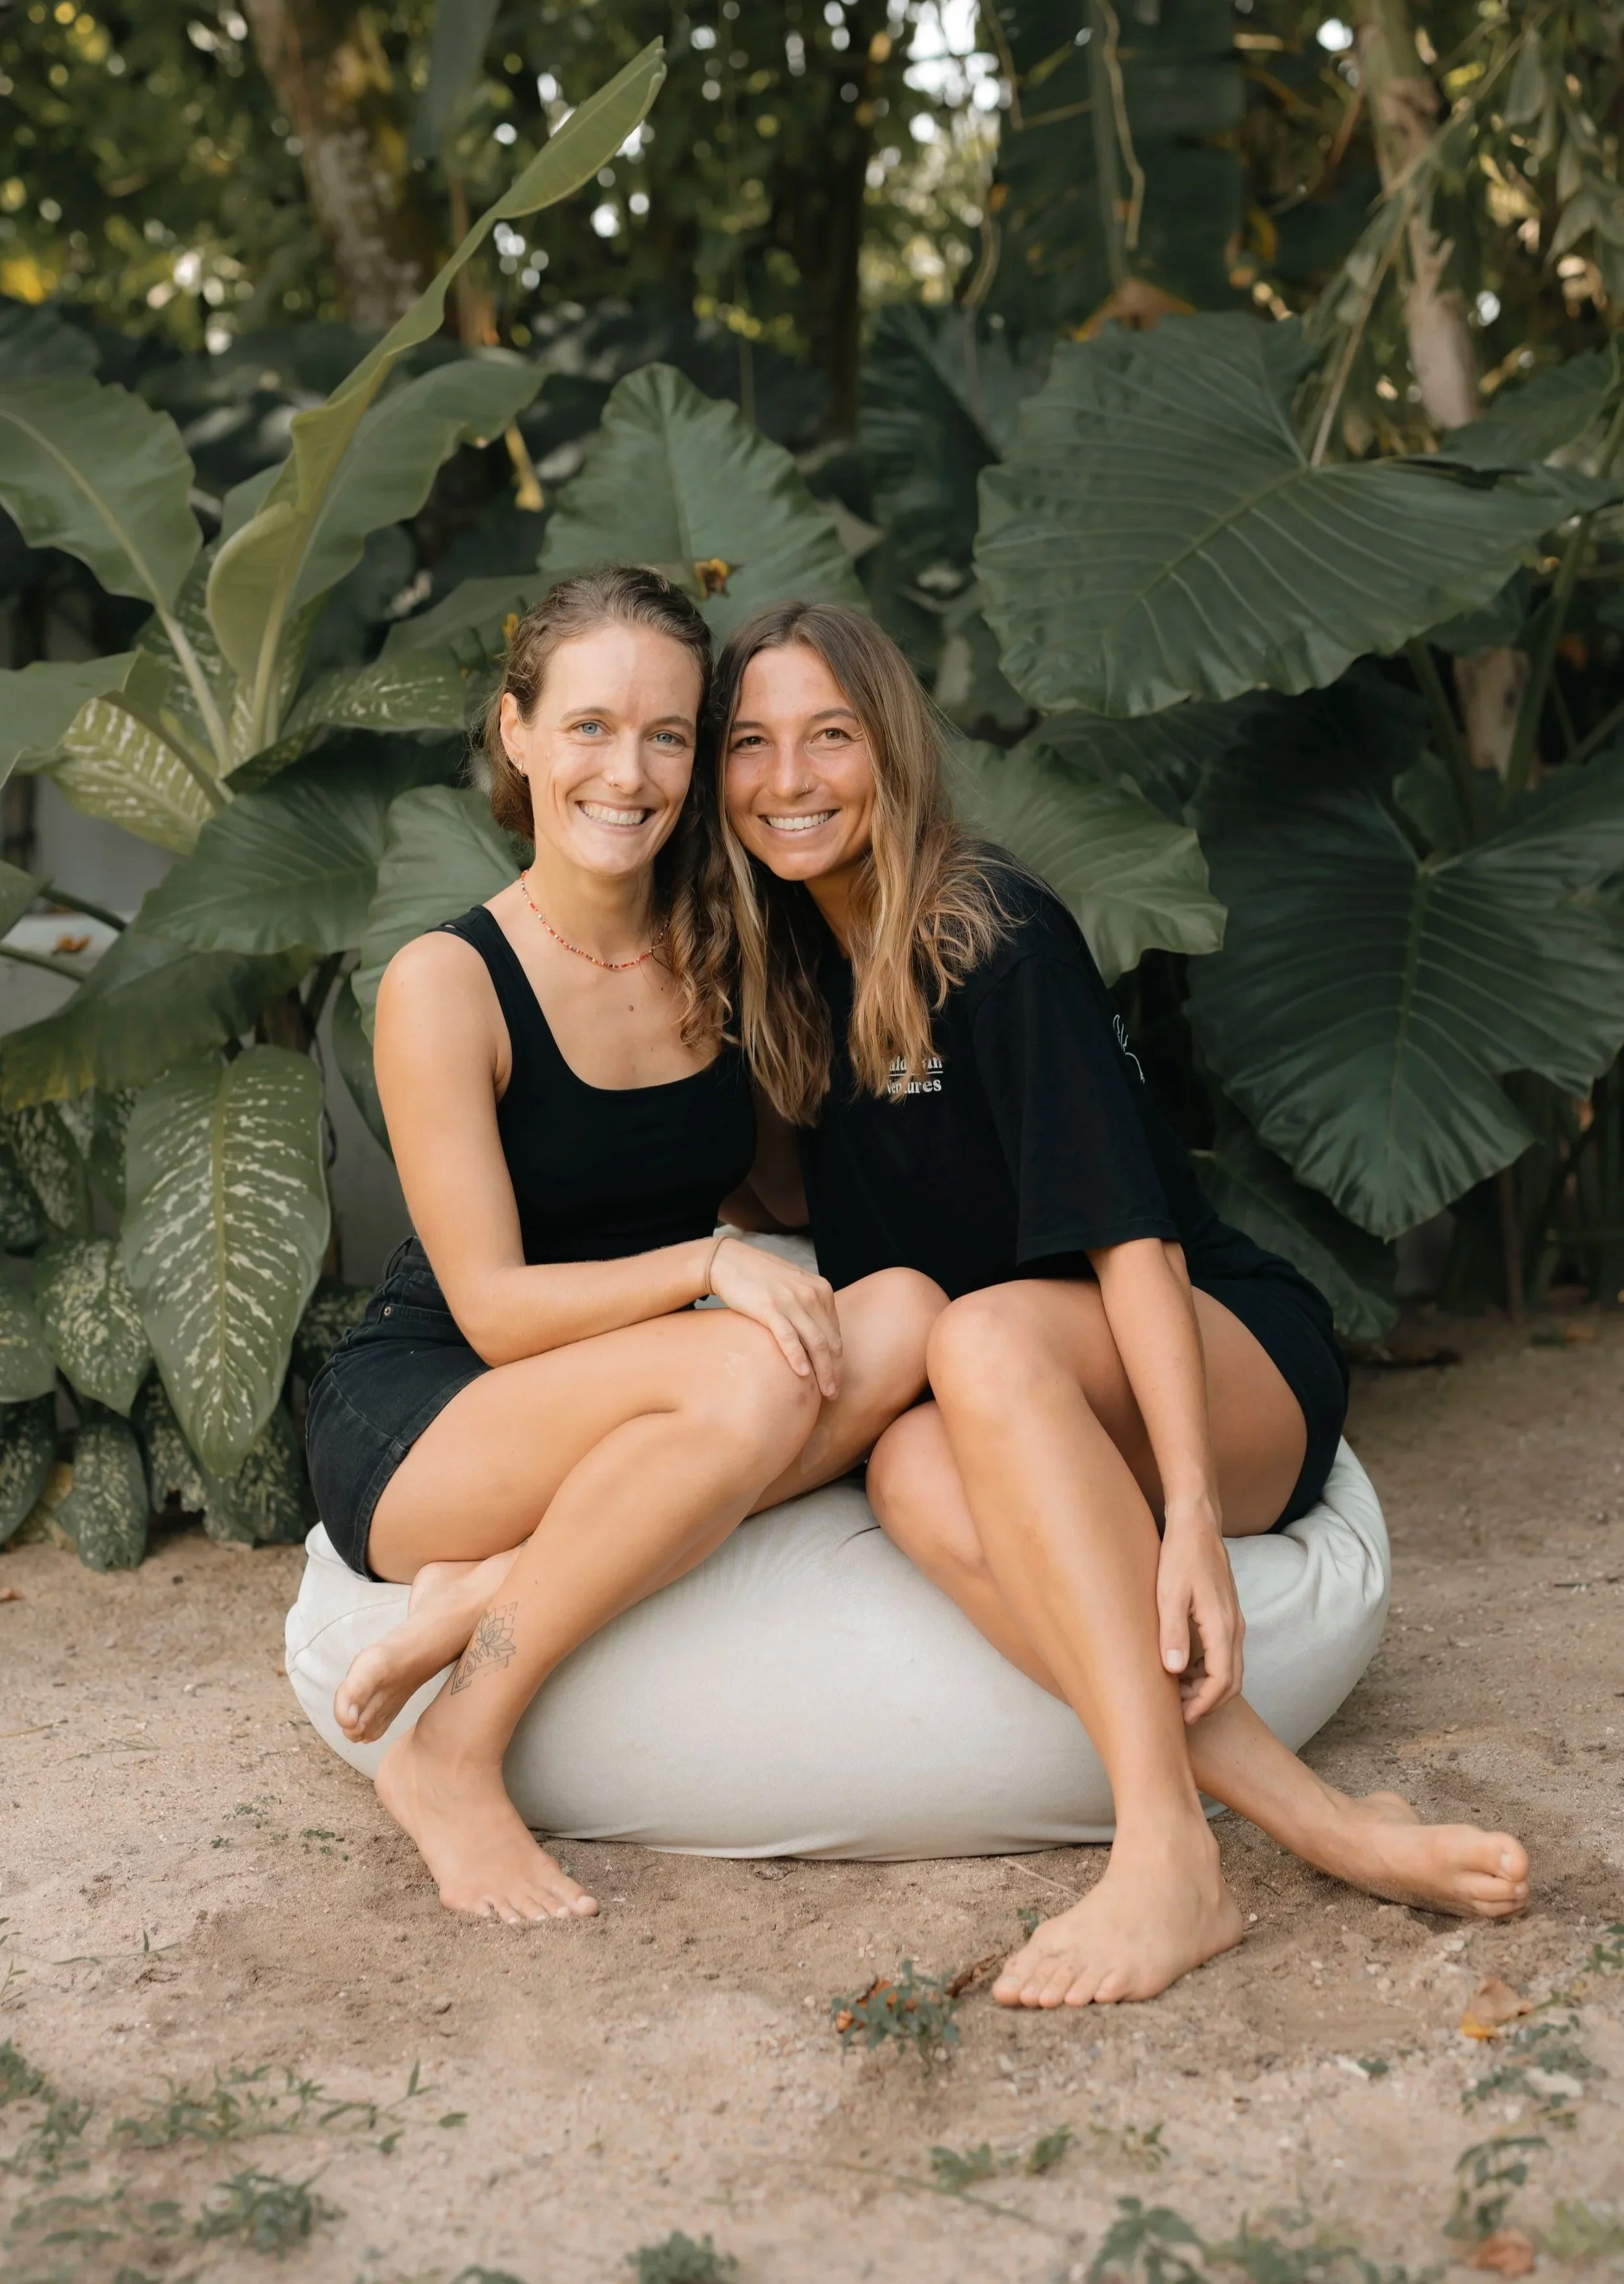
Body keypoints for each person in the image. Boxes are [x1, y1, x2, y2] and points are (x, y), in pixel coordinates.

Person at [701, 597, 1530, 2010]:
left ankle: (1166, 1855)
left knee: (975, 1333)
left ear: (890, 748)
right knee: (906, 1455)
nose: (790, 779)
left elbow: (1130, 1239)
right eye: (750, 742)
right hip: (1016, 1391)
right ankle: (1311, 1817)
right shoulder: (780, 968)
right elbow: (785, 1205)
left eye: (829, 735)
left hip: (1208, 1350)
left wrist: (1194, 1512)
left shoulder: (993, 931)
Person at [305, 569, 942, 1928]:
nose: (629, 770)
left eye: (667, 734)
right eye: (588, 725)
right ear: (516, 733)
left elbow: (788, 1188)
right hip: (441, 1405)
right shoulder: (447, 981)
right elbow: (489, 1306)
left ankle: (500, 1583)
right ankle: (454, 1745)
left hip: (658, 1382)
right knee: (753, 1368)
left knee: (894, 1312)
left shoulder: (722, 947)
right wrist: (706, 1265)